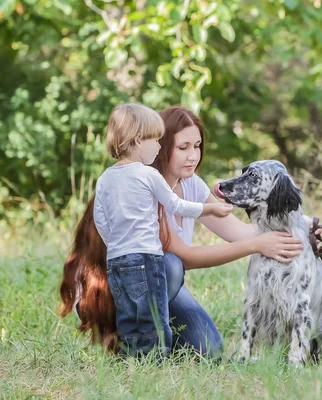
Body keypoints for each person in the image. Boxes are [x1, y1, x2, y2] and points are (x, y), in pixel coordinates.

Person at [60, 105, 306, 359]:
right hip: (110, 287)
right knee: (171, 265)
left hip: (158, 285)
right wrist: (257, 245)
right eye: (183, 147)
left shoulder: (190, 185)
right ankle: (130, 339)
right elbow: (185, 257)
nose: (193, 156)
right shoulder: (143, 186)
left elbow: (241, 232)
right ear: (160, 146)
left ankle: (153, 337)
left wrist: (305, 228)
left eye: (197, 146)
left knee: (209, 350)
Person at [94, 103, 234, 357]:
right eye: (156, 141)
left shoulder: (105, 177)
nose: (158, 147)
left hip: (116, 258)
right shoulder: (149, 176)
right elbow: (175, 205)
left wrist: (114, 243)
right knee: (153, 313)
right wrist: (209, 209)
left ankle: (129, 355)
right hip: (146, 257)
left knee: (129, 313)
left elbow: (100, 218)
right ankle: (155, 358)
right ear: (137, 141)